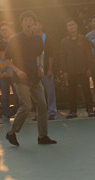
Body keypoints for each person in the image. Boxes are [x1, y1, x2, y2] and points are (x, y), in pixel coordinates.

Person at [4, 11, 57, 146]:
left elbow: (39, 55)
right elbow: (7, 60)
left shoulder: (38, 39)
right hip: (21, 79)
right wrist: (18, 71)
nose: (28, 23)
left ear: (34, 23)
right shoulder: (15, 39)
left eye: (30, 20)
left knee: (42, 105)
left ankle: (42, 136)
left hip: (35, 77)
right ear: (21, 23)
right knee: (26, 106)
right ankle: (11, 133)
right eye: (26, 20)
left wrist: (40, 67)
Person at [61, 19, 95, 118]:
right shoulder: (64, 41)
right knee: (72, 92)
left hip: (83, 70)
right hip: (71, 71)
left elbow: (88, 54)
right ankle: (73, 111)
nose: (71, 27)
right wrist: (64, 70)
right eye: (69, 25)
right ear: (67, 28)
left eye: (73, 25)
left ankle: (90, 109)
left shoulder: (83, 39)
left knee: (86, 90)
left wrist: (89, 68)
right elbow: (62, 57)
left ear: (76, 26)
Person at [35, 20, 58, 120]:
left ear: (41, 25)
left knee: (50, 91)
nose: (34, 26)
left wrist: (49, 69)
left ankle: (52, 111)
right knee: (37, 93)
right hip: (35, 71)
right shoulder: (32, 39)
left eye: (36, 24)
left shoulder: (47, 38)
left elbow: (51, 55)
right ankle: (39, 113)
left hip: (46, 70)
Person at [0, 23, 16, 124]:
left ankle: (19, 114)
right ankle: (6, 115)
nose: (4, 32)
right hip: (2, 74)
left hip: (13, 73)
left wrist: (7, 67)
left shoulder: (14, 43)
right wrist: (3, 69)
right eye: (2, 30)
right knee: (4, 96)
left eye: (6, 29)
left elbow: (15, 58)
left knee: (17, 95)